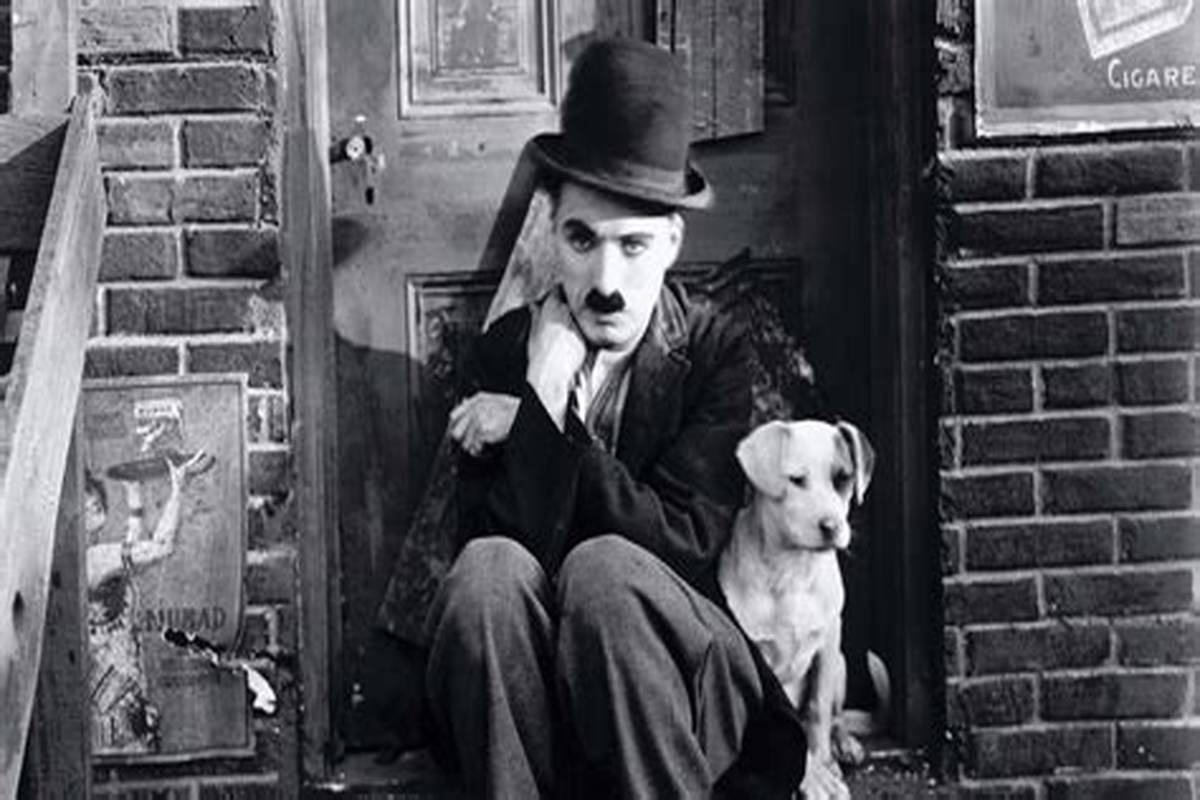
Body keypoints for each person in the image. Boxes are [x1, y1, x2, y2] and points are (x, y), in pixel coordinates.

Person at [420, 38, 816, 799]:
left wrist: (537, 434)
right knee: (487, 573)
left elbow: (681, 545)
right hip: (539, 710)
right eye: (583, 240)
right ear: (552, 233)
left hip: (682, 690)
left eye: (633, 245)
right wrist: (544, 386)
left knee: (606, 571)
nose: (605, 282)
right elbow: (502, 552)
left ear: (671, 242)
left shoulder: (712, 349)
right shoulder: (509, 351)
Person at [85, 449, 209, 754]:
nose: (90, 501)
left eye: (92, 493)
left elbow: (130, 554)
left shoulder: (96, 559)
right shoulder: (94, 560)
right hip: (113, 708)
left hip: (121, 701)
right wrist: (178, 489)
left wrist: (134, 498)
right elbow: (161, 547)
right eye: (82, 499)